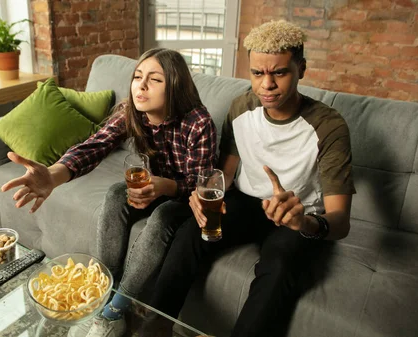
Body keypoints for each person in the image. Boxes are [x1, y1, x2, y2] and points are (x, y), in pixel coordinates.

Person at [145, 20, 356, 337]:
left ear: (301, 69)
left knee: (280, 266)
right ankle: (154, 329)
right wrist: (202, 193)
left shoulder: (329, 126)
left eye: (279, 73)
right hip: (244, 203)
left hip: (298, 214)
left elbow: (340, 221)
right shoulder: (241, 107)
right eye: (258, 73)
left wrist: (307, 224)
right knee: (191, 232)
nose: (266, 84)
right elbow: (225, 176)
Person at [0, 48, 217, 337]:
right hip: (155, 186)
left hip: (184, 197)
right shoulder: (132, 111)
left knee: (164, 214)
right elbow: (96, 145)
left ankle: (116, 306)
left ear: (175, 85)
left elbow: (201, 182)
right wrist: (53, 175)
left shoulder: (199, 122)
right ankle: (102, 293)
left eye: (154, 80)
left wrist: (164, 186)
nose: (140, 85)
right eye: (137, 76)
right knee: (116, 193)